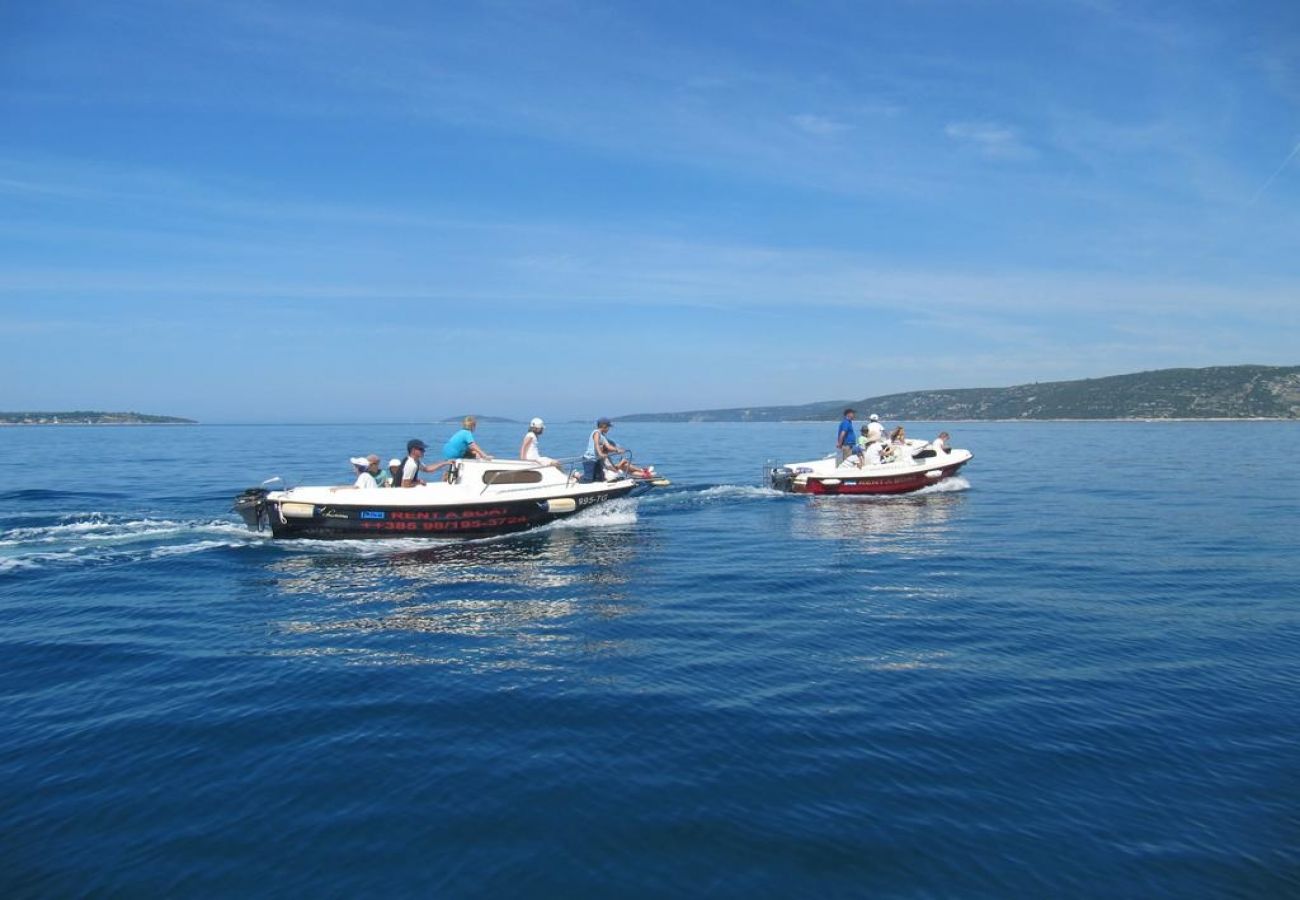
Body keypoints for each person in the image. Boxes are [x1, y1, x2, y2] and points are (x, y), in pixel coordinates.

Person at [582, 417, 625, 482]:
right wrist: (600, 453)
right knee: (588, 479)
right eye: (608, 427)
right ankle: (577, 478)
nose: (609, 429)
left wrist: (617, 450)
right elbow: (596, 444)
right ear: (604, 426)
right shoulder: (596, 433)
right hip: (589, 459)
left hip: (597, 459)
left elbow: (608, 446)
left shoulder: (603, 436)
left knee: (599, 478)